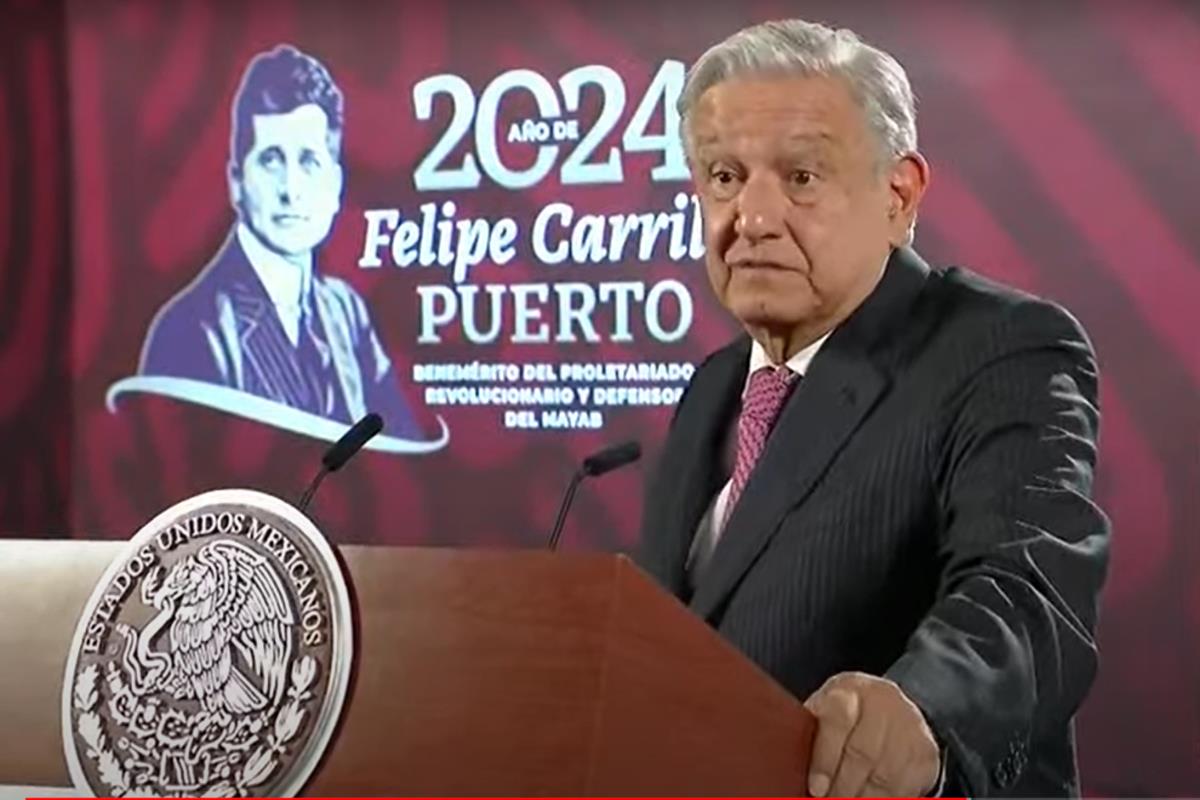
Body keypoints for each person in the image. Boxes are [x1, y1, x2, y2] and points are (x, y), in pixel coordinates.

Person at [637, 19, 1109, 798]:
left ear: (899, 195)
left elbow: (1029, 591)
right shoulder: (713, 389)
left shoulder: (1003, 348)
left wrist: (922, 710)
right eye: (722, 177)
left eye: (800, 177)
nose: (750, 218)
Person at [139, 44, 420, 436]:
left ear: (335, 186)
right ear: (237, 182)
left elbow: (402, 450)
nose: (290, 189)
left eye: (309, 161)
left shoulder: (345, 311)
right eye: (271, 159)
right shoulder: (192, 329)